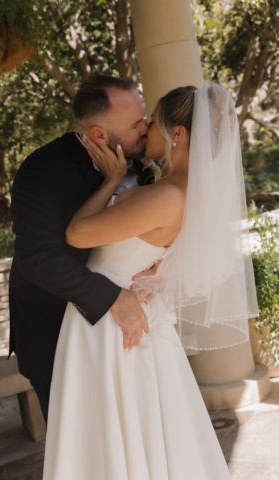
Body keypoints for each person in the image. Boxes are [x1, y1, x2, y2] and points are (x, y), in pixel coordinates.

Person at [42, 83, 258, 479]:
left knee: (109, 436)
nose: (145, 132)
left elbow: (76, 234)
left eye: (152, 123)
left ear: (177, 134)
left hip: (107, 324)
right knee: (149, 432)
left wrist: (112, 179)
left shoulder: (166, 196)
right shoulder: (188, 192)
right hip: (135, 308)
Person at [8, 75, 159, 423]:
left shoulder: (143, 159)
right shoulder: (42, 170)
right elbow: (39, 260)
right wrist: (116, 299)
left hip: (129, 336)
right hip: (56, 334)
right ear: (99, 136)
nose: (146, 129)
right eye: (136, 124)